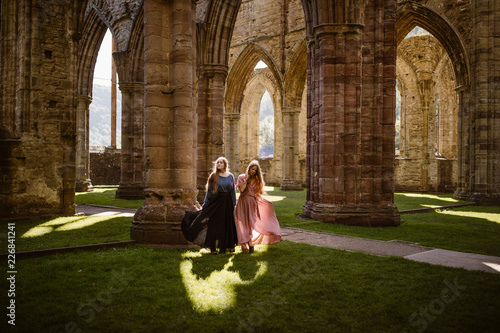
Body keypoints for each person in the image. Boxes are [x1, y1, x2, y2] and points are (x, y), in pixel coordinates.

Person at [182, 157, 238, 254]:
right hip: (215, 203)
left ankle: (223, 248)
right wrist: (205, 205)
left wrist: (234, 204)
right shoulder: (213, 176)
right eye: (217, 163)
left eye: (221, 162)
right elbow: (209, 192)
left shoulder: (230, 176)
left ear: (225, 164)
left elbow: (233, 191)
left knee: (225, 225)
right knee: (213, 225)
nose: (219, 164)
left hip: (227, 203)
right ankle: (212, 248)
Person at [235, 160, 282, 254]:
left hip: (252, 202)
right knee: (241, 222)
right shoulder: (241, 177)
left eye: (255, 170)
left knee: (251, 222)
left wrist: (266, 202)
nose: (253, 171)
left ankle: (250, 243)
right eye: (252, 169)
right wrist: (247, 179)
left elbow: (258, 194)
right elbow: (242, 190)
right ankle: (245, 244)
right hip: (242, 201)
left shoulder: (257, 180)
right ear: (249, 168)